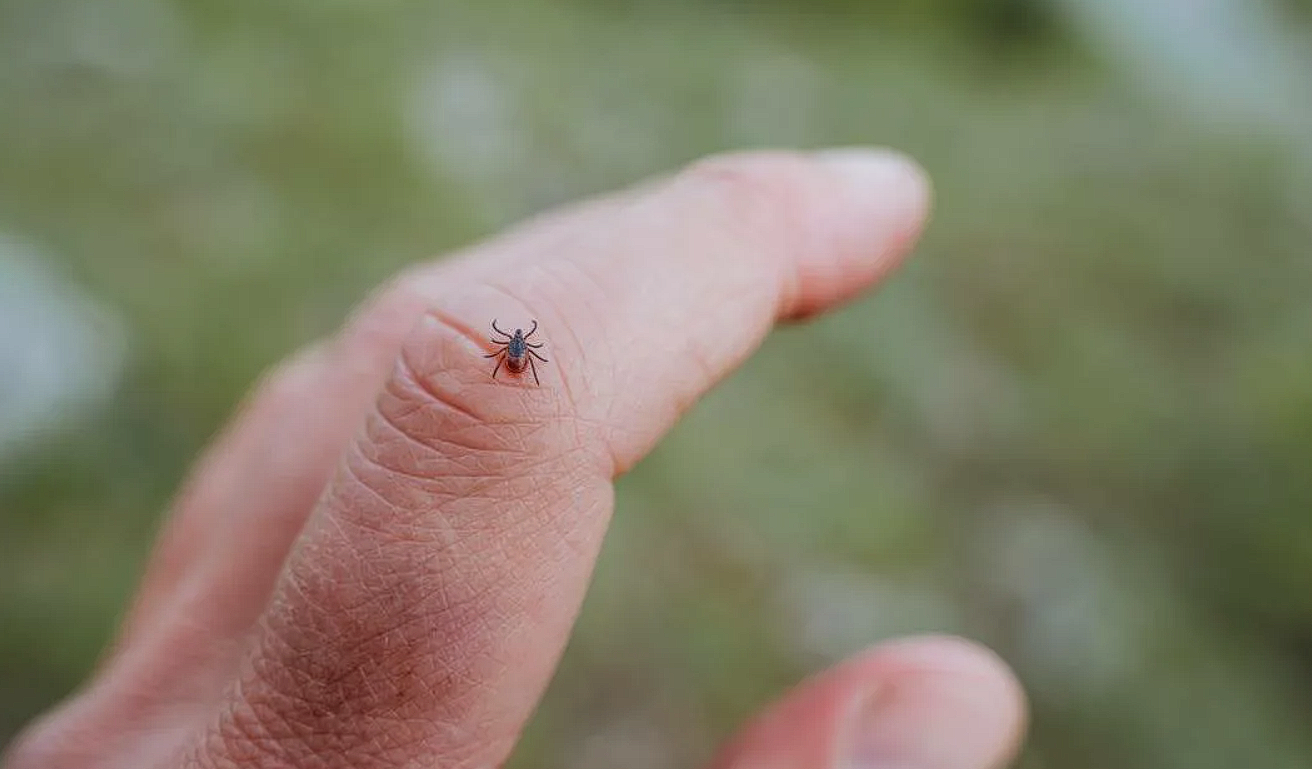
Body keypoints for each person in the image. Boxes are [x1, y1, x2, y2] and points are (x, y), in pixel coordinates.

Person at [4, 149, 1026, 769]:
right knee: (497, 381)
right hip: (515, 369)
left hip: (514, 367)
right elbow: (511, 362)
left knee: (496, 381)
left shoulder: (511, 352)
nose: (513, 353)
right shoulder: (512, 353)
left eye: (516, 349)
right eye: (516, 348)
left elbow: (510, 361)